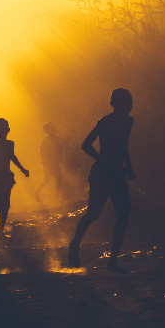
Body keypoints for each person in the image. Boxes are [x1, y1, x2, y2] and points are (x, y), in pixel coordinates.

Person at [67, 88, 135, 272]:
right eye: (124, 102)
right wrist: (105, 161)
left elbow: (123, 147)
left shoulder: (129, 122)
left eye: (129, 102)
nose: (128, 106)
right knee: (94, 213)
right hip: (102, 172)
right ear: (114, 104)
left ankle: (113, 260)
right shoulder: (105, 122)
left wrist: (128, 167)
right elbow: (85, 145)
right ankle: (75, 245)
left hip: (117, 173)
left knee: (123, 214)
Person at [0, 117, 29, 233]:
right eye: (0, 130)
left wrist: (22, 169)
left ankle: (1, 228)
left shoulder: (9, 144)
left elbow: (12, 157)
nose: (2, 132)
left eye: (4, 130)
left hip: (5, 177)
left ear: (8, 130)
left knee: (5, 203)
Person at [34, 121, 65, 205]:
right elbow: (42, 152)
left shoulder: (55, 138)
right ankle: (38, 193)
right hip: (50, 164)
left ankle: (56, 198)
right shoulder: (47, 140)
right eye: (51, 128)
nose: (54, 129)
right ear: (47, 130)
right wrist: (46, 161)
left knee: (56, 180)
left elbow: (58, 150)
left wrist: (59, 157)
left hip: (54, 163)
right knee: (49, 180)